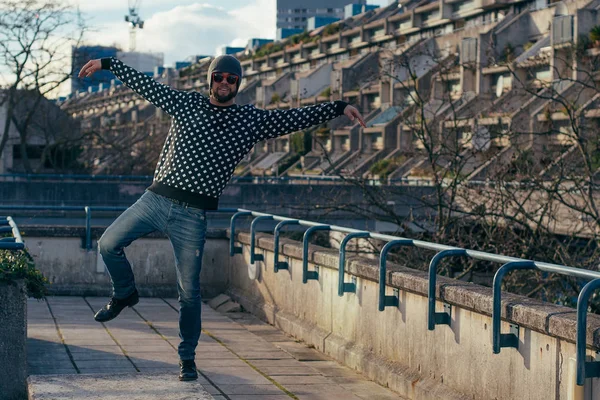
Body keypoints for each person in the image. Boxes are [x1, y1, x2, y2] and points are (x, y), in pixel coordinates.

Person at [78, 55, 366, 381]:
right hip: (155, 200)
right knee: (108, 244)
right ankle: (125, 293)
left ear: (238, 84)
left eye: (231, 79)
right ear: (210, 80)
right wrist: (108, 63)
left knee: (188, 293)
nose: (224, 83)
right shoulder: (187, 103)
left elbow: (293, 118)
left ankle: (187, 359)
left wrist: (339, 107)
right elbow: (147, 86)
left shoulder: (249, 120)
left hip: (192, 216)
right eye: (219, 77)